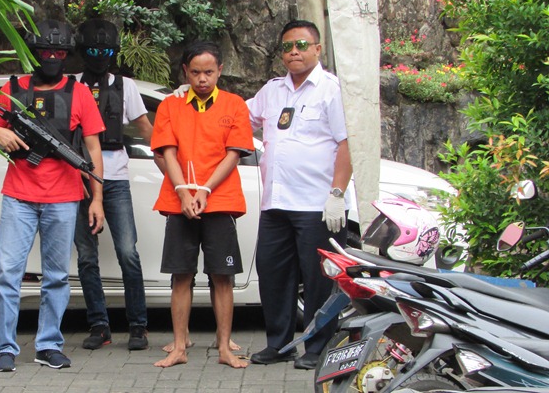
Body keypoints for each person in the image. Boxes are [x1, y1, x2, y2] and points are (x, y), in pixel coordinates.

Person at [0, 19, 105, 372]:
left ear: (67, 55)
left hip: (64, 197)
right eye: (45, 52)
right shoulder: (12, 88)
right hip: (18, 195)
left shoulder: (79, 93)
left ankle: (48, 345)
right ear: (33, 52)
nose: (52, 58)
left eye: (59, 53)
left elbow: (93, 149)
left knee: (56, 277)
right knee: (7, 273)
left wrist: (97, 199)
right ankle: (4, 348)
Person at [247, 20, 352, 370]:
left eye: (302, 45)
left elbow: (347, 144)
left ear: (318, 49)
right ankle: (278, 344)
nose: (294, 51)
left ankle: (318, 347)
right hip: (276, 202)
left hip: (317, 203)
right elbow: (236, 119)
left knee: (320, 280)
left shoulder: (331, 90)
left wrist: (337, 193)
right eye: (288, 46)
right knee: (273, 275)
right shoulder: (272, 90)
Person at [151, 41, 254, 369]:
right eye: (195, 72)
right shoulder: (171, 105)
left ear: (220, 70)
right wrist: (183, 192)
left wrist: (205, 190)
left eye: (209, 72)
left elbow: (234, 154)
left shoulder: (234, 104)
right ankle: (179, 347)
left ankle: (224, 348)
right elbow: (167, 152)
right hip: (179, 201)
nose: (202, 79)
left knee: (222, 276)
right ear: (185, 72)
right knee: (181, 275)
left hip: (219, 200)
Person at [73, 18, 152, 351]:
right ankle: (99, 325)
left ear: (114, 52)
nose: (99, 57)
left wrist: (170, 154)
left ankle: (138, 326)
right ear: (82, 51)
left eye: (105, 51)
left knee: (127, 252)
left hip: (116, 177)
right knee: (86, 257)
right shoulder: (71, 84)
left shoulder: (125, 86)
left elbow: (145, 127)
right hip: (78, 178)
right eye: (93, 51)